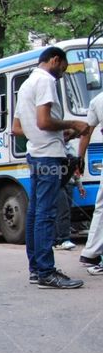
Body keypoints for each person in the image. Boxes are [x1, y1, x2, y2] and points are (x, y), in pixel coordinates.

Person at [12, 46, 88, 289]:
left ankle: (36, 269)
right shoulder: (45, 81)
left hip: (35, 153)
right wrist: (73, 123)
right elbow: (44, 121)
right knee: (46, 214)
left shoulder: (25, 85)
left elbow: (18, 128)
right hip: (48, 158)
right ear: (55, 60)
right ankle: (46, 272)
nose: (63, 73)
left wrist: (58, 133)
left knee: (35, 213)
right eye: (64, 67)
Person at [76, 89, 103, 271]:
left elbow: (86, 132)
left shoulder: (97, 100)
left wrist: (80, 158)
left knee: (101, 207)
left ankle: (91, 252)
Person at [54, 139, 84, 251]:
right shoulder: (56, 146)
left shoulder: (70, 148)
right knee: (62, 211)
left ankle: (61, 238)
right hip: (59, 183)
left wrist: (79, 185)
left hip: (69, 184)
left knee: (65, 212)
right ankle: (62, 239)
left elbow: (75, 171)